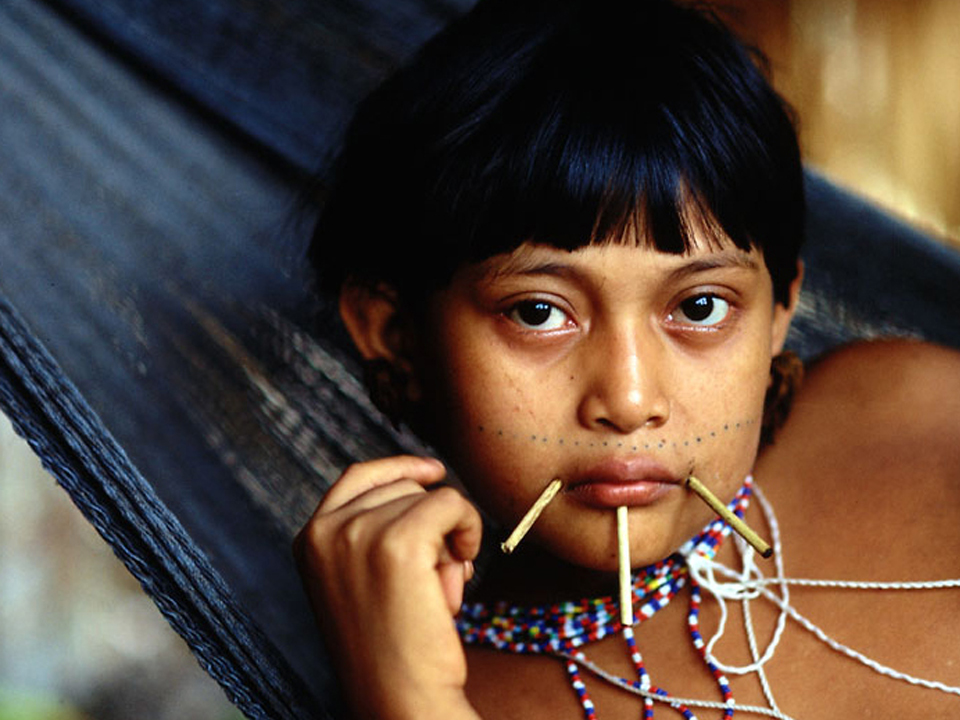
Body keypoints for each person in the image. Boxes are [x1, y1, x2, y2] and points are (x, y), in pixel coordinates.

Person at [293, 0, 960, 717]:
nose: (630, 399)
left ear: (779, 311)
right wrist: (408, 698)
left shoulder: (911, 415)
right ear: (395, 332)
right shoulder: (446, 690)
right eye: (538, 312)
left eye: (700, 307)